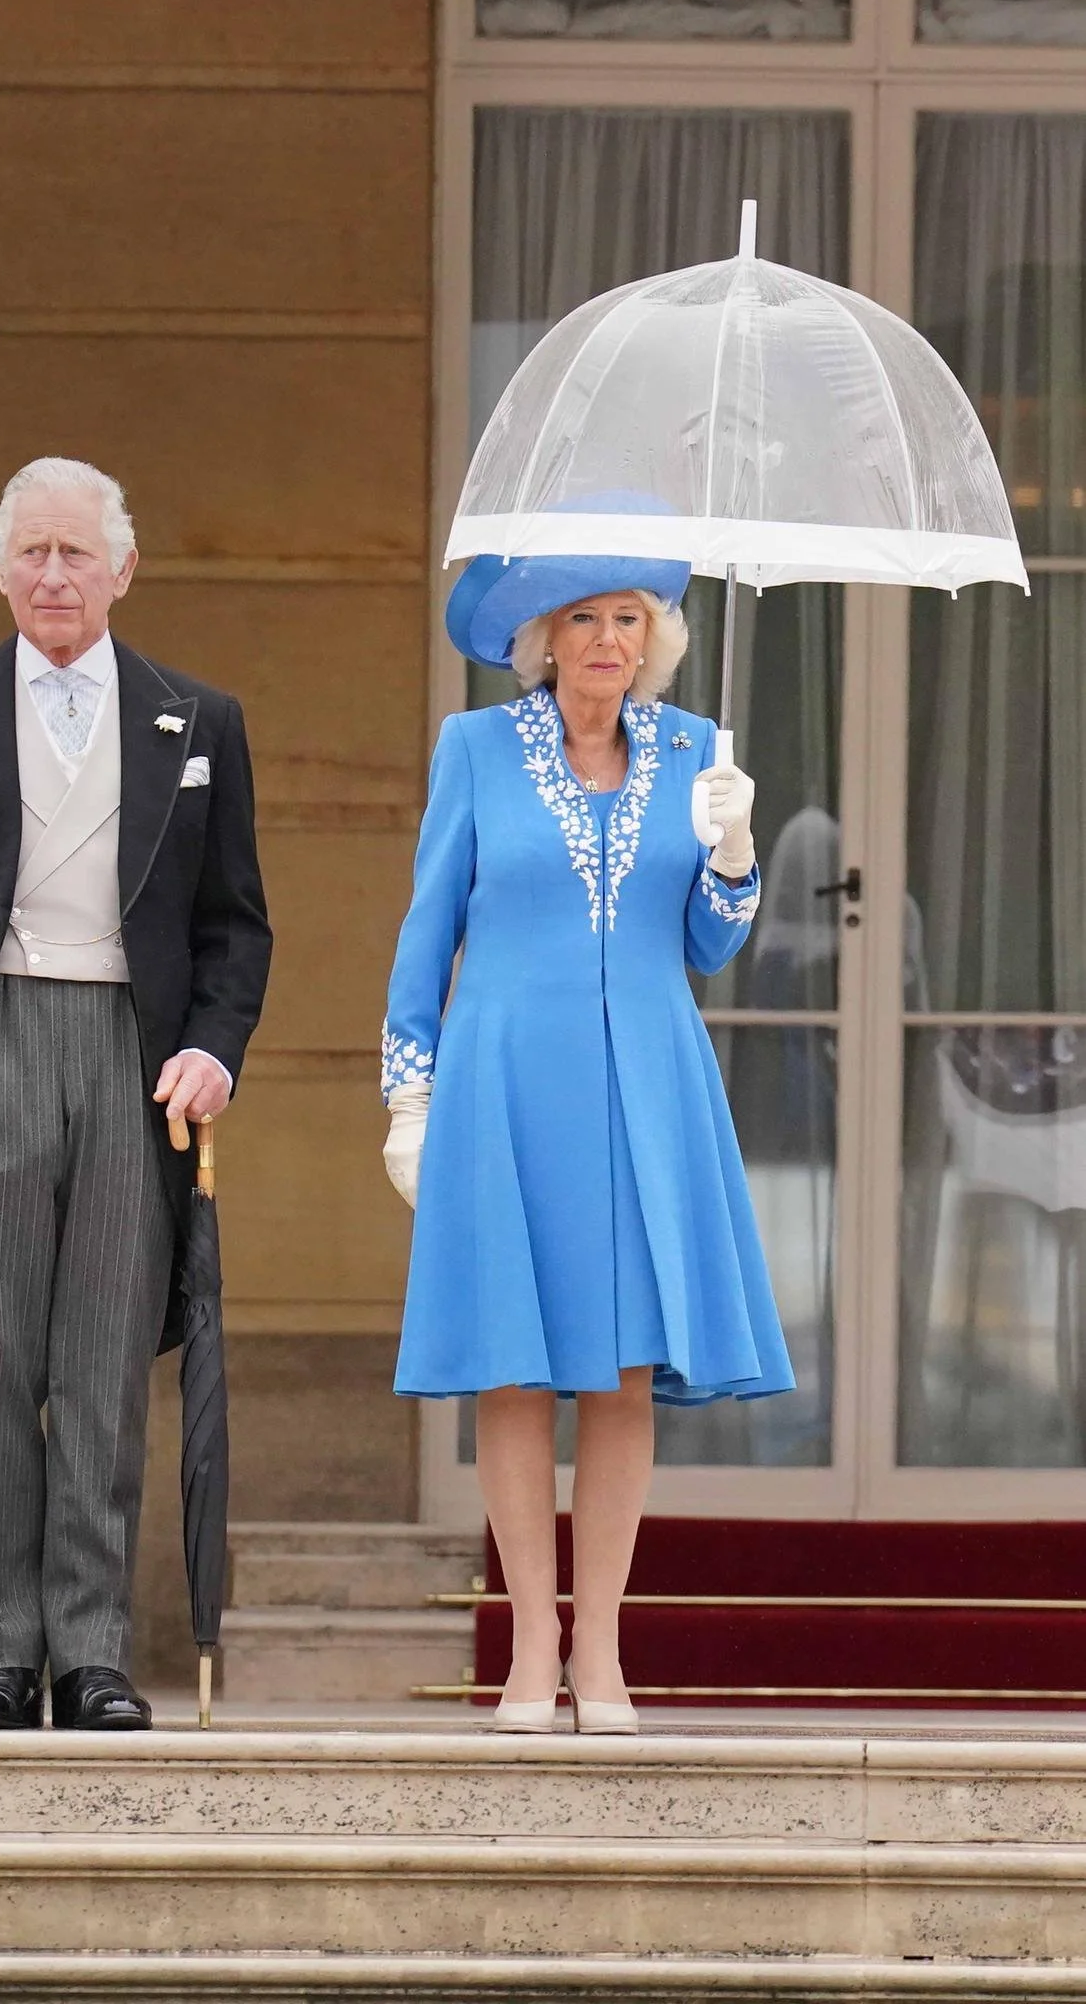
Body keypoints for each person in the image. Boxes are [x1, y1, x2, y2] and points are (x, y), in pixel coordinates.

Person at [0, 457, 271, 1730]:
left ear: (123, 568)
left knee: (100, 1361)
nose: (51, 573)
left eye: (75, 552)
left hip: (131, 1057)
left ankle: (90, 1649)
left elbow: (234, 926)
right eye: (31, 550)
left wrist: (215, 1047)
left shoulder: (199, 719)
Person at [381, 544, 793, 1734]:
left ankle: (601, 1649)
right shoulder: (475, 751)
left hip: (645, 1087)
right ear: (543, 638)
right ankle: (528, 1649)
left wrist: (732, 852)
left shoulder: (695, 750)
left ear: (653, 637)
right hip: (506, 1080)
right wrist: (409, 1091)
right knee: (515, 1367)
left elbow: (711, 947)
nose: (609, 638)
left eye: (630, 617)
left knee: (617, 1373)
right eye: (584, 619)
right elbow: (427, 931)